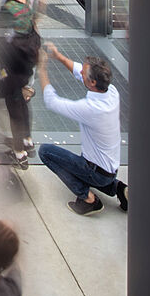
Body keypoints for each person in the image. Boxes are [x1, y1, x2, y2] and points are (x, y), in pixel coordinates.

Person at [39, 44, 127, 215]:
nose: (80, 73)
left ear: (93, 82)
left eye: (85, 74)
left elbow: (52, 102)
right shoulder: (112, 92)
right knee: (85, 166)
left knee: (46, 152)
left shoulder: (90, 109)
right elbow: (81, 72)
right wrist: (60, 57)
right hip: (110, 170)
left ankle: (88, 198)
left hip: (96, 172)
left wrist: (42, 69)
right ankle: (119, 189)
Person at [0, 0, 41, 168]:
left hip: (13, 64)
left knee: (14, 107)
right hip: (28, 58)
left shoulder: (8, 8)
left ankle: (18, 153)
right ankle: (28, 142)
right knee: (23, 101)